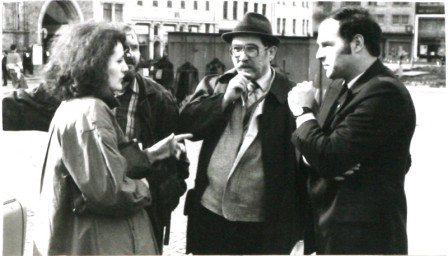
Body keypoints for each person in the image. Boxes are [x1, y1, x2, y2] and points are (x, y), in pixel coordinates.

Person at [3, 23, 189, 252]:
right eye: (119, 61)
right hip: (99, 241)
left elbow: (107, 165)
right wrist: (150, 185)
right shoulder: (91, 112)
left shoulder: (85, 105)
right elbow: (109, 191)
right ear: (96, 64)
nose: (126, 68)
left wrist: (152, 154)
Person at [177, 12, 310, 255]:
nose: (242, 56)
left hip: (261, 222)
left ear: (270, 52)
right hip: (211, 213)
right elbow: (185, 125)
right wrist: (224, 99)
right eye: (236, 49)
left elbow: (306, 158)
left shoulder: (290, 95)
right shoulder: (215, 84)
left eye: (251, 49)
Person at [287, 7, 416, 254]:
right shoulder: (339, 87)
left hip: (365, 239)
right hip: (331, 230)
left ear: (357, 43)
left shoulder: (384, 92)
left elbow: (328, 154)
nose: (318, 55)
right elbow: (318, 151)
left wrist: (302, 111)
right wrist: (321, 158)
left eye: (326, 45)